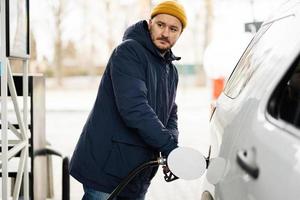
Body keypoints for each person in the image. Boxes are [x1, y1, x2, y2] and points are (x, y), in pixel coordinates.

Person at [69, 1, 187, 199]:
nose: (166, 33)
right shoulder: (128, 52)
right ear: (150, 23)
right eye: (160, 25)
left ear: (180, 33)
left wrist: (172, 146)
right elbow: (134, 108)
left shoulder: (170, 70)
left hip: (138, 172)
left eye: (173, 29)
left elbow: (170, 111)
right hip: (106, 168)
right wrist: (170, 148)